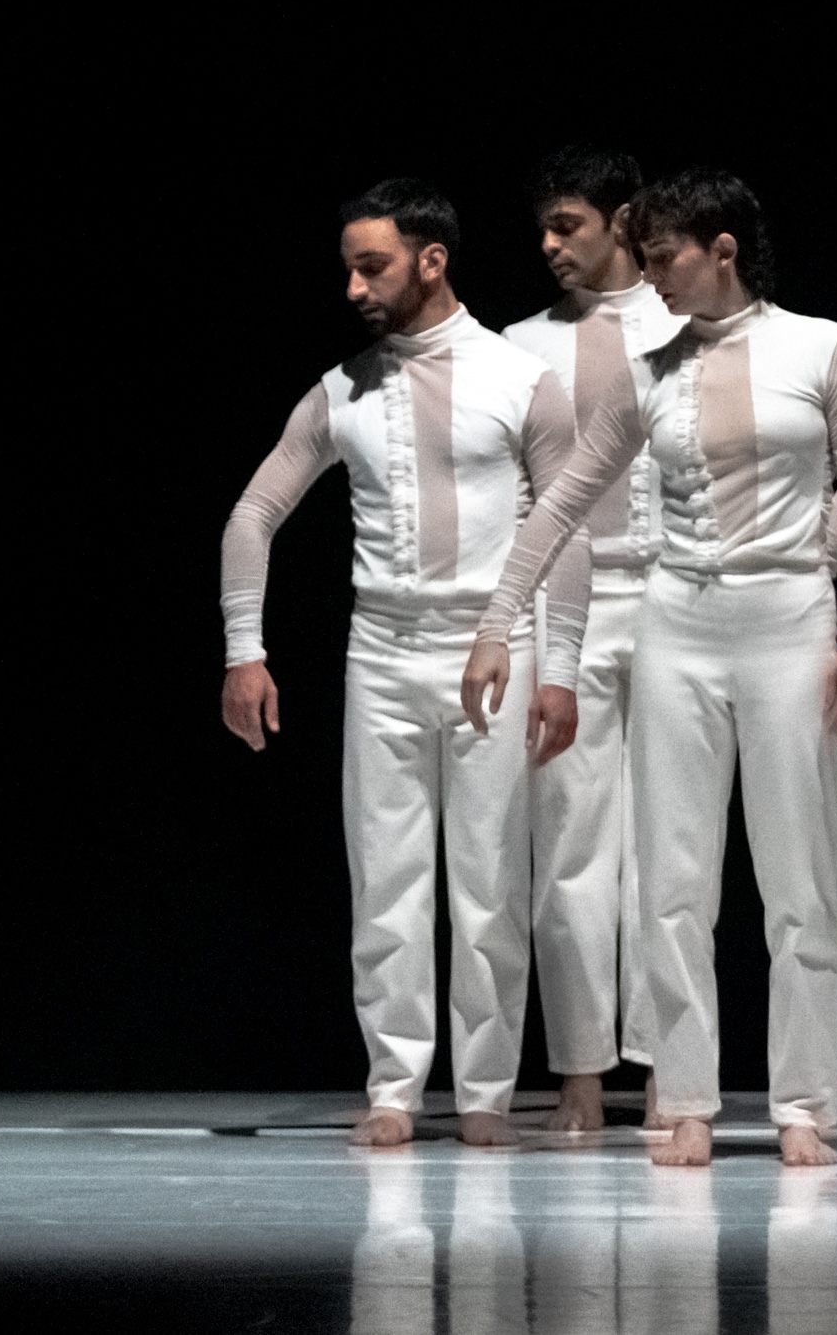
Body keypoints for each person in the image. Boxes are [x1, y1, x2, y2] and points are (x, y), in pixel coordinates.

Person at [461, 168, 837, 1168]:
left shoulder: (823, 345)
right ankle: (687, 1096)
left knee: (799, 879)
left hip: (789, 618)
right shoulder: (649, 371)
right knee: (673, 878)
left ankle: (801, 1104)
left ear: (722, 249)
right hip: (677, 625)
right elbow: (563, 500)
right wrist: (496, 622)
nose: (650, 276)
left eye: (664, 258)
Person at [220, 179, 592, 1148]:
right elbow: (253, 512)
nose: (354, 287)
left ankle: (485, 1091)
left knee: (489, 884)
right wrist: (244, 649)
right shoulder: (341, 388)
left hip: (491, 653)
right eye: (348, 268)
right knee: (386, 884)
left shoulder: (517, 378)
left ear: (432, 260)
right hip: (381, 652)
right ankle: (394, 1085)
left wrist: (560, 669)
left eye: (372, 266)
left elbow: (568, 530)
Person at [501, 146, 685, 1132]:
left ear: (620, 221)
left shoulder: (684, 324)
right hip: (560, 604)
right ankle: (577, 1066)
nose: (548, 244)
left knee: (666, 845)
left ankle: (666, 1063)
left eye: (566, 224)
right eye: (544, 226)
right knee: (569, 840)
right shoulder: (519, 344)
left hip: (670, 595)